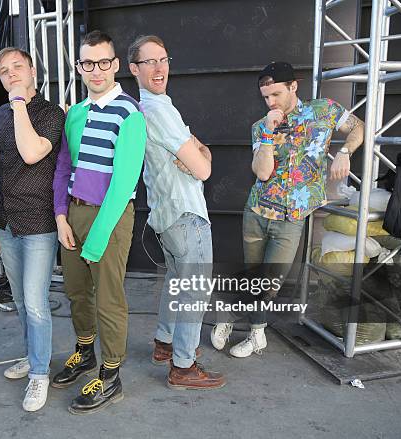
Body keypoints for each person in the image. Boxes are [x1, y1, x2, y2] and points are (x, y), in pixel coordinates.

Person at [211, 61, 365, 358]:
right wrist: (269, 131)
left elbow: (358, 127)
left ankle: (231, 318)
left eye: (276, 95)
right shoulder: (260, 126)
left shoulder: (324, 110)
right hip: (257, 213)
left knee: (269, 283)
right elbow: (263, 172)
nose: (270, 102)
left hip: (291, 218)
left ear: (293, 87)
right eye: (265, 97)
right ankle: (255, 334)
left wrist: (345, 152)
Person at [52, 30, 146, 414]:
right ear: (79, 67)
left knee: (108, 299)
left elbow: (124, 184)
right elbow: (62, 168)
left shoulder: (130, 113)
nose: (95, 70)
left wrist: (97, 239)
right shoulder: (74, 113)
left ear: (115, 65)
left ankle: (111, 375)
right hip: (73, 213)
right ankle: (85, 352)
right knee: (76, 291)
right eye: (87, 63)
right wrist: (60, 216)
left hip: (111, 216)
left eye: (103, 62)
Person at [128, 35, 225, 390]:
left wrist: (198, 152)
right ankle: (183, 365)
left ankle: (164, 343)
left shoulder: (150, 108)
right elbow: (202, 169)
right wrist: (199, 152)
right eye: (149, 62)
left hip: (165, 215)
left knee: (176, 282)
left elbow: (198, 155)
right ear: (133, 69)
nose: (159, 68)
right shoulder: (161, 111)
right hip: (185, 214)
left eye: (163, 59)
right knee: (195, 290)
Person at [0, 47, 65, 412]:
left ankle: (39, 375)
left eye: (18, 68)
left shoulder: (50, 114)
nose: (11, 74)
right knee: (22, 301)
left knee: (37, 302)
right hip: (7, 220)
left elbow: (30, 153)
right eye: (4, 71)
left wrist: (21, 105)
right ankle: (32, 355)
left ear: (32, 73)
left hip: (39, 221)